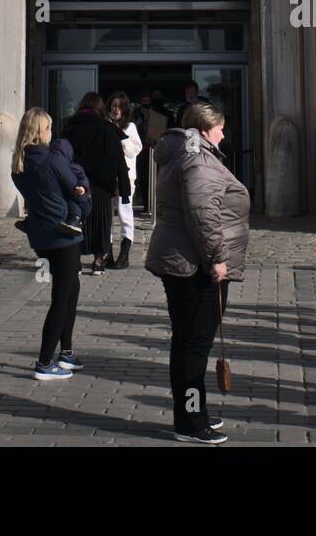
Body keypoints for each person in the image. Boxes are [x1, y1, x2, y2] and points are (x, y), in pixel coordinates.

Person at [145, 102, 250, 445]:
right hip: (195, 266)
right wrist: (217, 258)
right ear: (205, 130)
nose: (224, 134)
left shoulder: (188, 153)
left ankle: (194, 412)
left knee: (188, 342)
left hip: (185, 260)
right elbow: (202, 214)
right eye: (220, 127)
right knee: (194, 345)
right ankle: (190, 422)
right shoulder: (198, 158)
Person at [11, 108, 86, 381]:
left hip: (41, 236)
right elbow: (73, 189)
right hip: (63, 235)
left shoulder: (19, 164)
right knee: (62, 298)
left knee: (71, 291)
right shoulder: (52, 160)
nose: (52, 132)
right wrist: (82, 198)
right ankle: (44, 362)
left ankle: (66, 352)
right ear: (42, 131)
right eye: (49, 127)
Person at [61, 92, 132, 275]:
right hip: (102, 186)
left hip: (76, 184)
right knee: (101, 223)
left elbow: (61, 156)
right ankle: (98, 262)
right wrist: (125, 191)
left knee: (77, 222)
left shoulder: (70, 127)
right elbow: (119, 162)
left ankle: (74, 260)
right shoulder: (108, 129)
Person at [107, 92, 144, 269]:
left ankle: (124, 253)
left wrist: (121, 140)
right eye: (114, 106)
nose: (116, 110)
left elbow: (136, 149)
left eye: (120, 107)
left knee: (124, 213)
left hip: (125, 178)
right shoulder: (105, 124)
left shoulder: (129, 127)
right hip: (107, 176)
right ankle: (107, 252)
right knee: (106, 214)